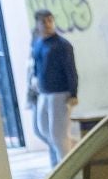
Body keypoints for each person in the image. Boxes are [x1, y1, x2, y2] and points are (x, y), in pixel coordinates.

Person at [28, 9, 78, 167]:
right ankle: (72, 148)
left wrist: (73, 93)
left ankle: (67, 167)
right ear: (37, 24)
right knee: (42, 129)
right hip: (44, 93)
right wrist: (35, 81)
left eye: (50, 21)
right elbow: (36, 65)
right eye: (43, 21)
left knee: (59, 134)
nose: (47, 24)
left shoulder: (62, 45)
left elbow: (71, 70)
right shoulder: (38, 44)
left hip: (60, 93)